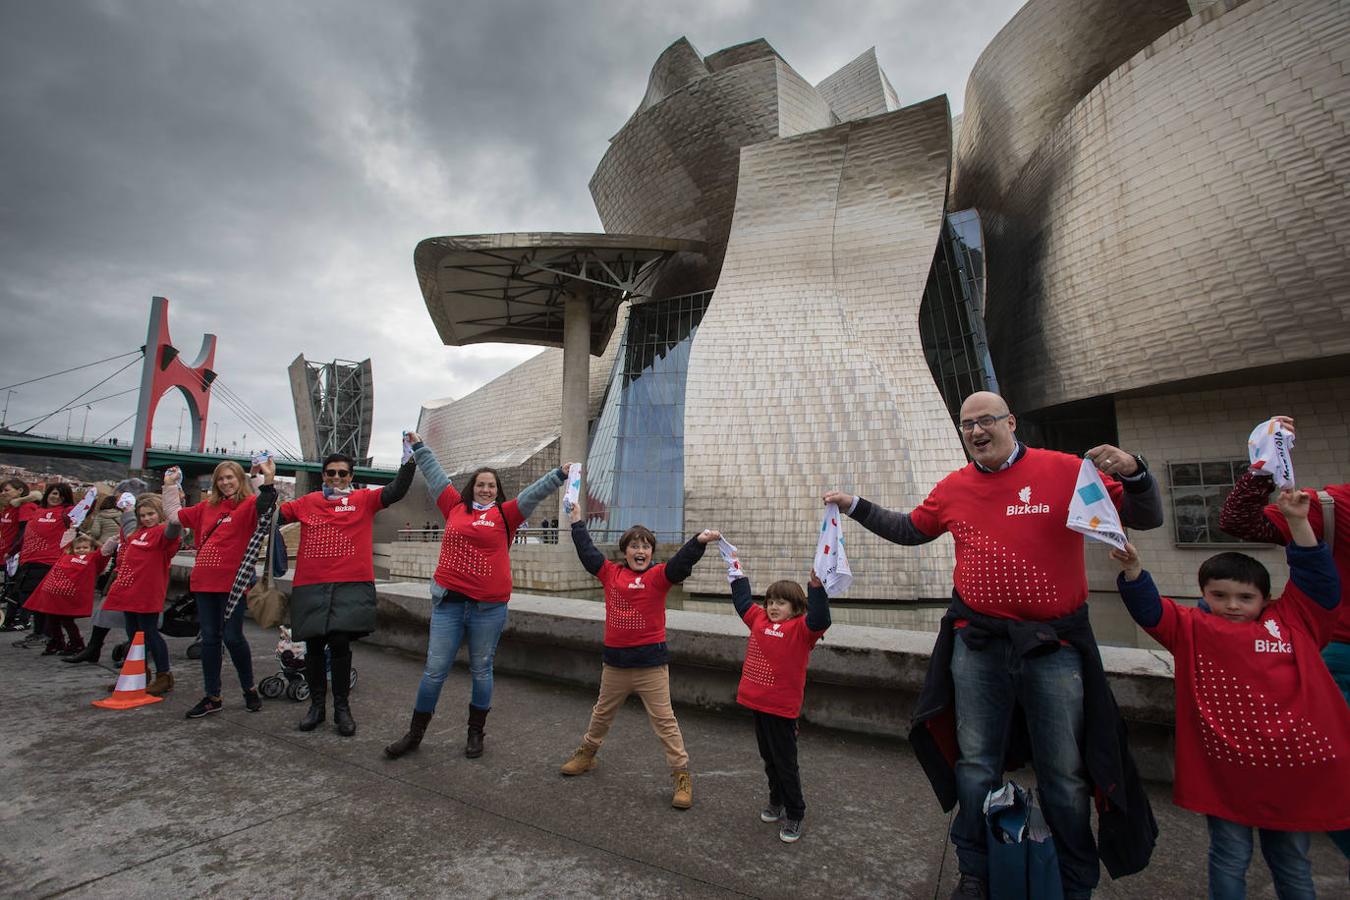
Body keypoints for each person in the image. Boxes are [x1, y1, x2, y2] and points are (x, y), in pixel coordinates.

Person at [823, 391, 1164, 900]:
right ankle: (976, 870)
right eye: (967, 426)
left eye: (987, 421)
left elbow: (1146, 515)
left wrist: (1135, 471)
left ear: (1011, 422)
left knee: (1065, 773)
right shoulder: (955, 487)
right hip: (978, 643)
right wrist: (855, 506)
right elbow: (910, 530)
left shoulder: (1066, 470)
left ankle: (1074, 880)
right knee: (976, 763)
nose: (977, 432)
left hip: (1055, 647)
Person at [1113, 488, 1348, 898]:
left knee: (1292, 862)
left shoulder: (1294, 621)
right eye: (1218, 596)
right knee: (1229, 856)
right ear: (1203, 596)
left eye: (1245, 597)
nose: (1232, 606)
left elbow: (1319, 582)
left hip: (1291, 774)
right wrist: (1133, 569)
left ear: (1265, 599)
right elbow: (1150, 609)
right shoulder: (1192, 629)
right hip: (1226, 775)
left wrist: (1297, 523)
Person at [384, 435, 568, 760]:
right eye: (481, 484)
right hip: (449, 606)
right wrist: (420, 446)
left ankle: (475, 733)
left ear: (498, 491)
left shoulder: (507, 515)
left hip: (488, 609)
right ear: (472, 487)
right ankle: (414, 734)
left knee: (482, 670)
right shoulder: (453, 506)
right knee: (434, 670)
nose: (486, 490)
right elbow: (436, 474)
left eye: (491, 486)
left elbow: (532, 494)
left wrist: (559, 475)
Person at [1218, 413, 1350, 864]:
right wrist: (1262, 464)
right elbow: (1237, 519)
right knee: (1336, 779)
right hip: (1338, 656)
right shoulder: (1333, 506)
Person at [557, 501, 716, 810]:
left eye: (645, 546)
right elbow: (589, 554)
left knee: (665, 722)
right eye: (634, 546)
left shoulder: (659, 576)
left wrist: (697, 542)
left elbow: (680, 565)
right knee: (601, 714)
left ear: (651, 553)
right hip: (615, 664)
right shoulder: (610, 574)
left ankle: (681, 775)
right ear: (625, 551)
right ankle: (587, 755)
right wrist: (577, 522)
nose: (640, 550)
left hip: (651, 666)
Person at [280, 447, 415, 737]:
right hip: (311, 583)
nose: (337, 478)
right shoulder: (308, 502)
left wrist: (408, 459)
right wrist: (264, 483)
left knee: (340, 643)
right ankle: (316, 708)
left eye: (343, 473)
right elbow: (271, 515)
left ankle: (342, 709)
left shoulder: (363, 500)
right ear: (323, 476)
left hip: (350, 583)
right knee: (314, 646)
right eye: (331, 473)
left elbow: (396, 490)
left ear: (351, 476)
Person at [726, 565, 831, 843]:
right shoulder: (758, 620)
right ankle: (776, 800)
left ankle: (795, 812)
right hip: (757, 704)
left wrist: (817, 588)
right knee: (769, 758)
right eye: (770, 601)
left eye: (781, 603)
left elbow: (820, 620)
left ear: (796, 608)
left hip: (782, 710)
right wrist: (736, 571)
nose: (773, 607)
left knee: (786, 763)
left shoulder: (801, 630)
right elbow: (742, 602)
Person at [164, 459, 276, 718]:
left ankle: (249, 689)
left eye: (230, 477)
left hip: (232, 583)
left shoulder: (248, 506)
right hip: (204, 582)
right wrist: (170, 487)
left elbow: (266, 507)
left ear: (240, 479)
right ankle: (212, 696)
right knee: (210, 640)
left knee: (233, 637)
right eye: (221, 478)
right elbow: (174, 516)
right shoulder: (206, 507)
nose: (226, 482)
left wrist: (265, 479)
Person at [100, 493, 182, 694]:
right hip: (128, 589)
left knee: (150, 634)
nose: (146, 518)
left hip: (147, 591)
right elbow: (128, 526)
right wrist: (128, 509)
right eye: (142, 515)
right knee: (133, 634)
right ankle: (137, 673)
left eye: (151, 514)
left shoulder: (164, 534)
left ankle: (164, 675)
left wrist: (174, 503)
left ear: (160, 513)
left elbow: (174, 527)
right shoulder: (136, 533)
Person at [21, 527, 108, 654]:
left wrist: (106, 540)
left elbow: (105, 551)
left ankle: (76, 643)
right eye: (78, 548)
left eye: (85, 548)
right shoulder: (65, 554)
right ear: (73, 549)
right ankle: (57, 642)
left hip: (69, 598)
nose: (81, 550)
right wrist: (71, 530)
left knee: (67, 621)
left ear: (91, 549)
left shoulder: (93, 559)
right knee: (52, 620)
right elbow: (65, 542)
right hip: (54, 596)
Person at [12, 483, 76, 649]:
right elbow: (25, 536)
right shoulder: (37, 512)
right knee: (28, 598)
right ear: (47, 494)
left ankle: (47, 634)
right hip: (28, 561)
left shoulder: (66, 512)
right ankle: (40, 632)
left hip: (49, 562)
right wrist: (12, 552)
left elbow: (85, 509)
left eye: (61, 495)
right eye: (54, 493)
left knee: (44, 600)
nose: (56, 498)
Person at [63, 494, 123, 663]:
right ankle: (93, 647)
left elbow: (95, 533)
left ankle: (95, 647)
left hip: (108, 552)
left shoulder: (102, 516)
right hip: (117, 558)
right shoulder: (123, 517)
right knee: (107, 606)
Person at [0, 478, 41, 632]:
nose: (3, 493)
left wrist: (13, 552)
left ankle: (21, 619)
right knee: (9, 587)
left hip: (16, 555)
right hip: (5, 554)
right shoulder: (8, 508)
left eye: (7, 490)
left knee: (16, 588)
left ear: (20, 491)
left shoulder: (25, 507)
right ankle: (9, 619)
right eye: (2, 490)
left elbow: (25, 531)